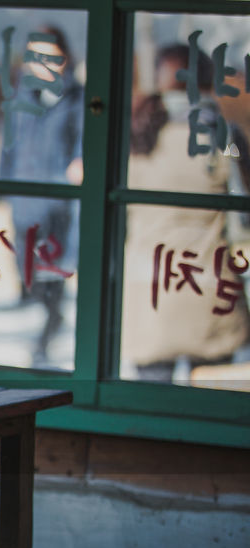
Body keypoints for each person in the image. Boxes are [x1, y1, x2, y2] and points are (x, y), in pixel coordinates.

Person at [120, 43, 250, 383]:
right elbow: (243, 216)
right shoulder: (223, 137)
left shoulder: (137, 134)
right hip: (207, 285)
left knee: (148, 403)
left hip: (148, 284)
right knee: (209, 408)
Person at [0, 26, 83, 368]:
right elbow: (8, 147)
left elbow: (83, 141)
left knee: (53, 273)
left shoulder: (78, 97)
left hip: (60, 201)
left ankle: (46, 333)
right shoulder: (18, 98)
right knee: (27, 269)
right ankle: (47, 316)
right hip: (25, 198)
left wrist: (79, 165)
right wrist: (2, 190)